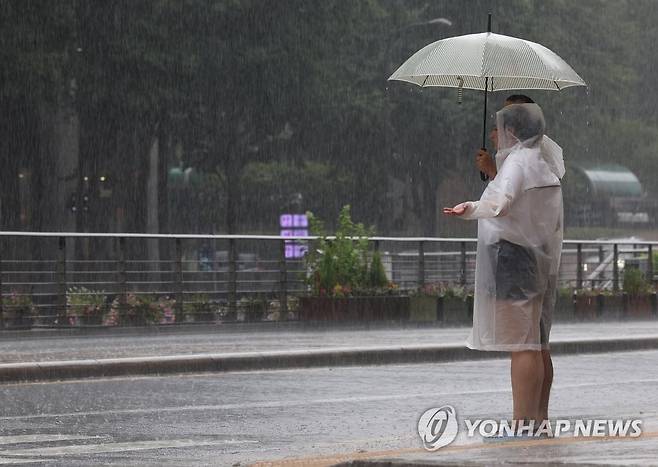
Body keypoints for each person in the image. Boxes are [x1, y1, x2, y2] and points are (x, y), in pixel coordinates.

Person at [444, 102, 565, 427]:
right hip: (537, 257)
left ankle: (522, 422)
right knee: (537, 343)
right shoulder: (542, 162)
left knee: (521, 345)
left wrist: (467, 208)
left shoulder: (517, 163)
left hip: (513, 258)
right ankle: (538, 420)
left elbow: (499, 203)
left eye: (498, 128)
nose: (494, 135)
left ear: (512, 130)